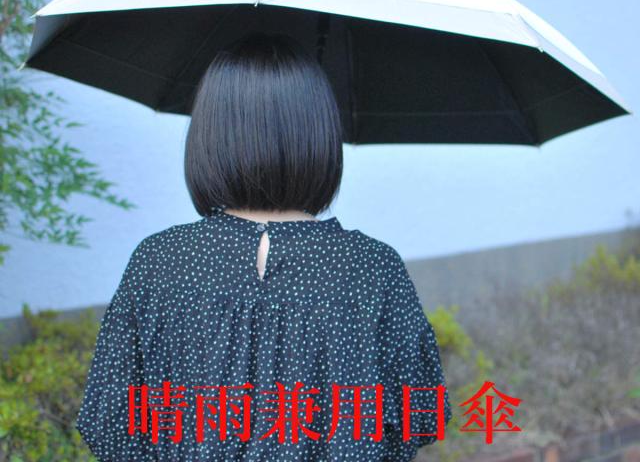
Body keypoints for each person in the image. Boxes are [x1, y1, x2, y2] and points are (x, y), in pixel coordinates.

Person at [76, 31, 453, 461]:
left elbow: (108, 424)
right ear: (318, 133)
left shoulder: (160, 261)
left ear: (208, 134)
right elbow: (419, 418)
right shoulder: (371, 268)